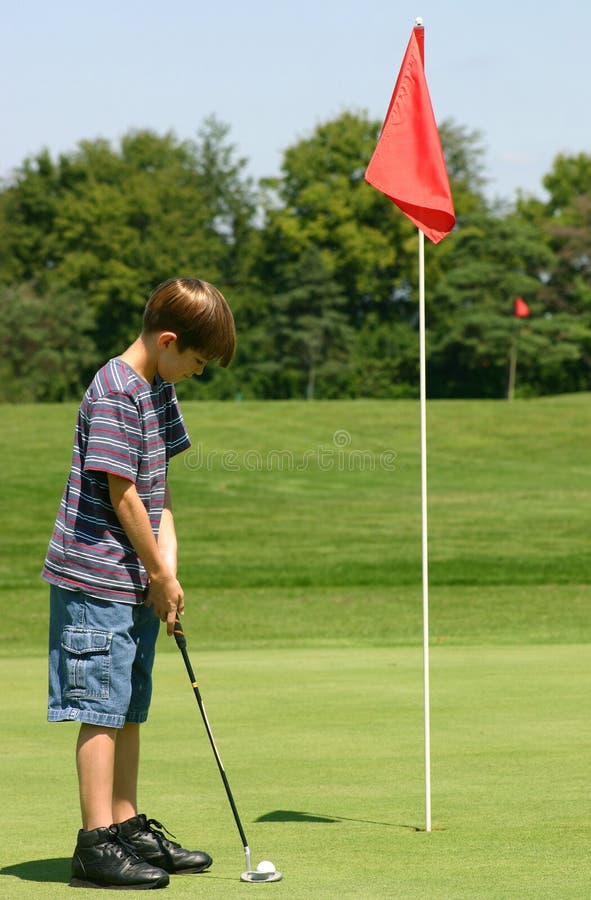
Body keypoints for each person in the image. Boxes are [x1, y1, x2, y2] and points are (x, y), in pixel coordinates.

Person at [43, 277, 236, 889]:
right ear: (169, 340)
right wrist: (156, 569)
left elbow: (160, 490)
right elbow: (121, 491)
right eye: (198, 361)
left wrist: (167, 571)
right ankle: (94, 841)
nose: (197, 373)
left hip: (136, 579)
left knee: (127, 704)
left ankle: (125, 827)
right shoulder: (115, 392)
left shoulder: (157, 390)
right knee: (99, 707)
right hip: (95, 575)